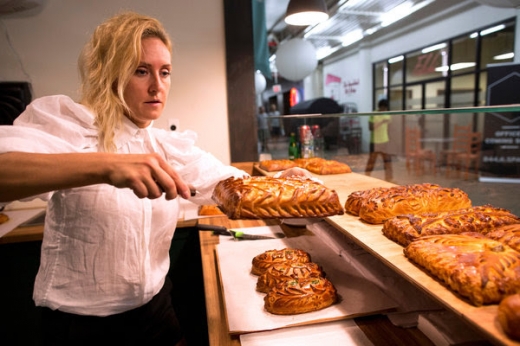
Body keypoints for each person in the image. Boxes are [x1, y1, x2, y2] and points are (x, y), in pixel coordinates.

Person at [0, 11, 309, 346]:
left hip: (157, 313)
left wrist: (280, 184)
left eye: (165, 72)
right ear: (109, 73)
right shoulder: (69, 125)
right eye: (141, 70)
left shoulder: (163, 145)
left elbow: (223, 181)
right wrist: (107, 167)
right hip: (82, 330)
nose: (157, 86)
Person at [365, 99, 393, 182]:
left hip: (385, 141)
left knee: (387, 161)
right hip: (375, 141)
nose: (384, 110)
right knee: (372, 161)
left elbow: (390, 128)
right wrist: (381, 122)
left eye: (385, 109)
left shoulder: (388, 114)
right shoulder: (373, 114)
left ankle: (389, 179)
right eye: (383, 108)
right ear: (380, 107)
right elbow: (370, 128)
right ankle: (367, 176)